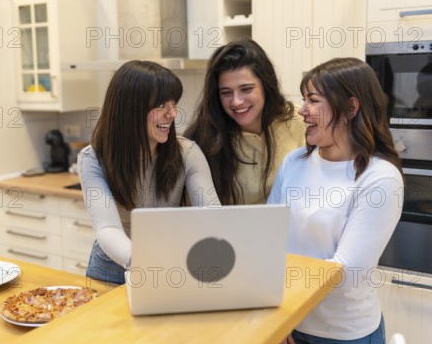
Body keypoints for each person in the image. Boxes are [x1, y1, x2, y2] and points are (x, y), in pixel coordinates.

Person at [267, 57, 404, 344]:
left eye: (313, 100)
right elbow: (266, 239)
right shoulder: (294, 162)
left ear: (351, 108)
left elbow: (344, 272)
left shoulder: (380, 179)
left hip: (343, 335)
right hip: (288, 327)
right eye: (304, 99)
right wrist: (277, 320)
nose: (302, 111)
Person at [78, 60, 220, 285]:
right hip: (111, 269)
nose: (172, 113)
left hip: (169, 262)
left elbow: (214, 216)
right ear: (130, 109)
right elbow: (107, 229)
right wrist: (149, 264)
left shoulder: (188, 153)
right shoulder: (93, 158)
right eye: (162, 105)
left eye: (174, 104)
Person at [184, 38, 305, 205]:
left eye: (246, 89)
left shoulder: (298, 120)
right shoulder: (202, 140)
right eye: (226, 92)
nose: (236, 102)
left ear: (265, 84)